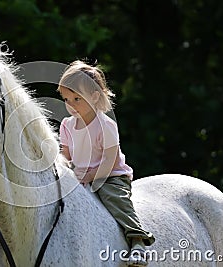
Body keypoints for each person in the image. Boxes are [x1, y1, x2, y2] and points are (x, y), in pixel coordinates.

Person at [57, 60, 155, 266]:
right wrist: (65, 171)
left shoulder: (105, 125)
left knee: (113, 198)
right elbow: (65, 155)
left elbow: (109, 159)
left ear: (94, 97)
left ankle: (137, 239)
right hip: (80, 175)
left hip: (111, 175)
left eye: (77, 98)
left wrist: (92, 177)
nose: (71, 105)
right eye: (66, 99)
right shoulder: (66, 125)